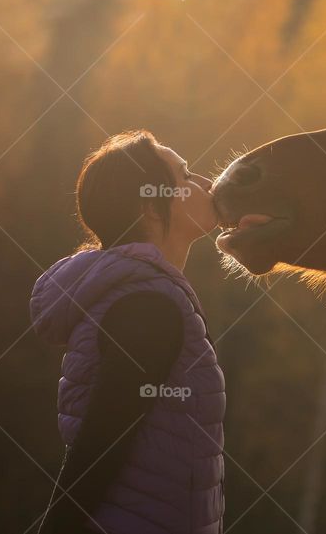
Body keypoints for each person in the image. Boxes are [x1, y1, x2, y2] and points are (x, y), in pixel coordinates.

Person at [29, 130, 225, 534]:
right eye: (186, 176)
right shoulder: (149, 308)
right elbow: (98, 450)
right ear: (151, 206)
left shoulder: (143, 296)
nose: (206, 184)